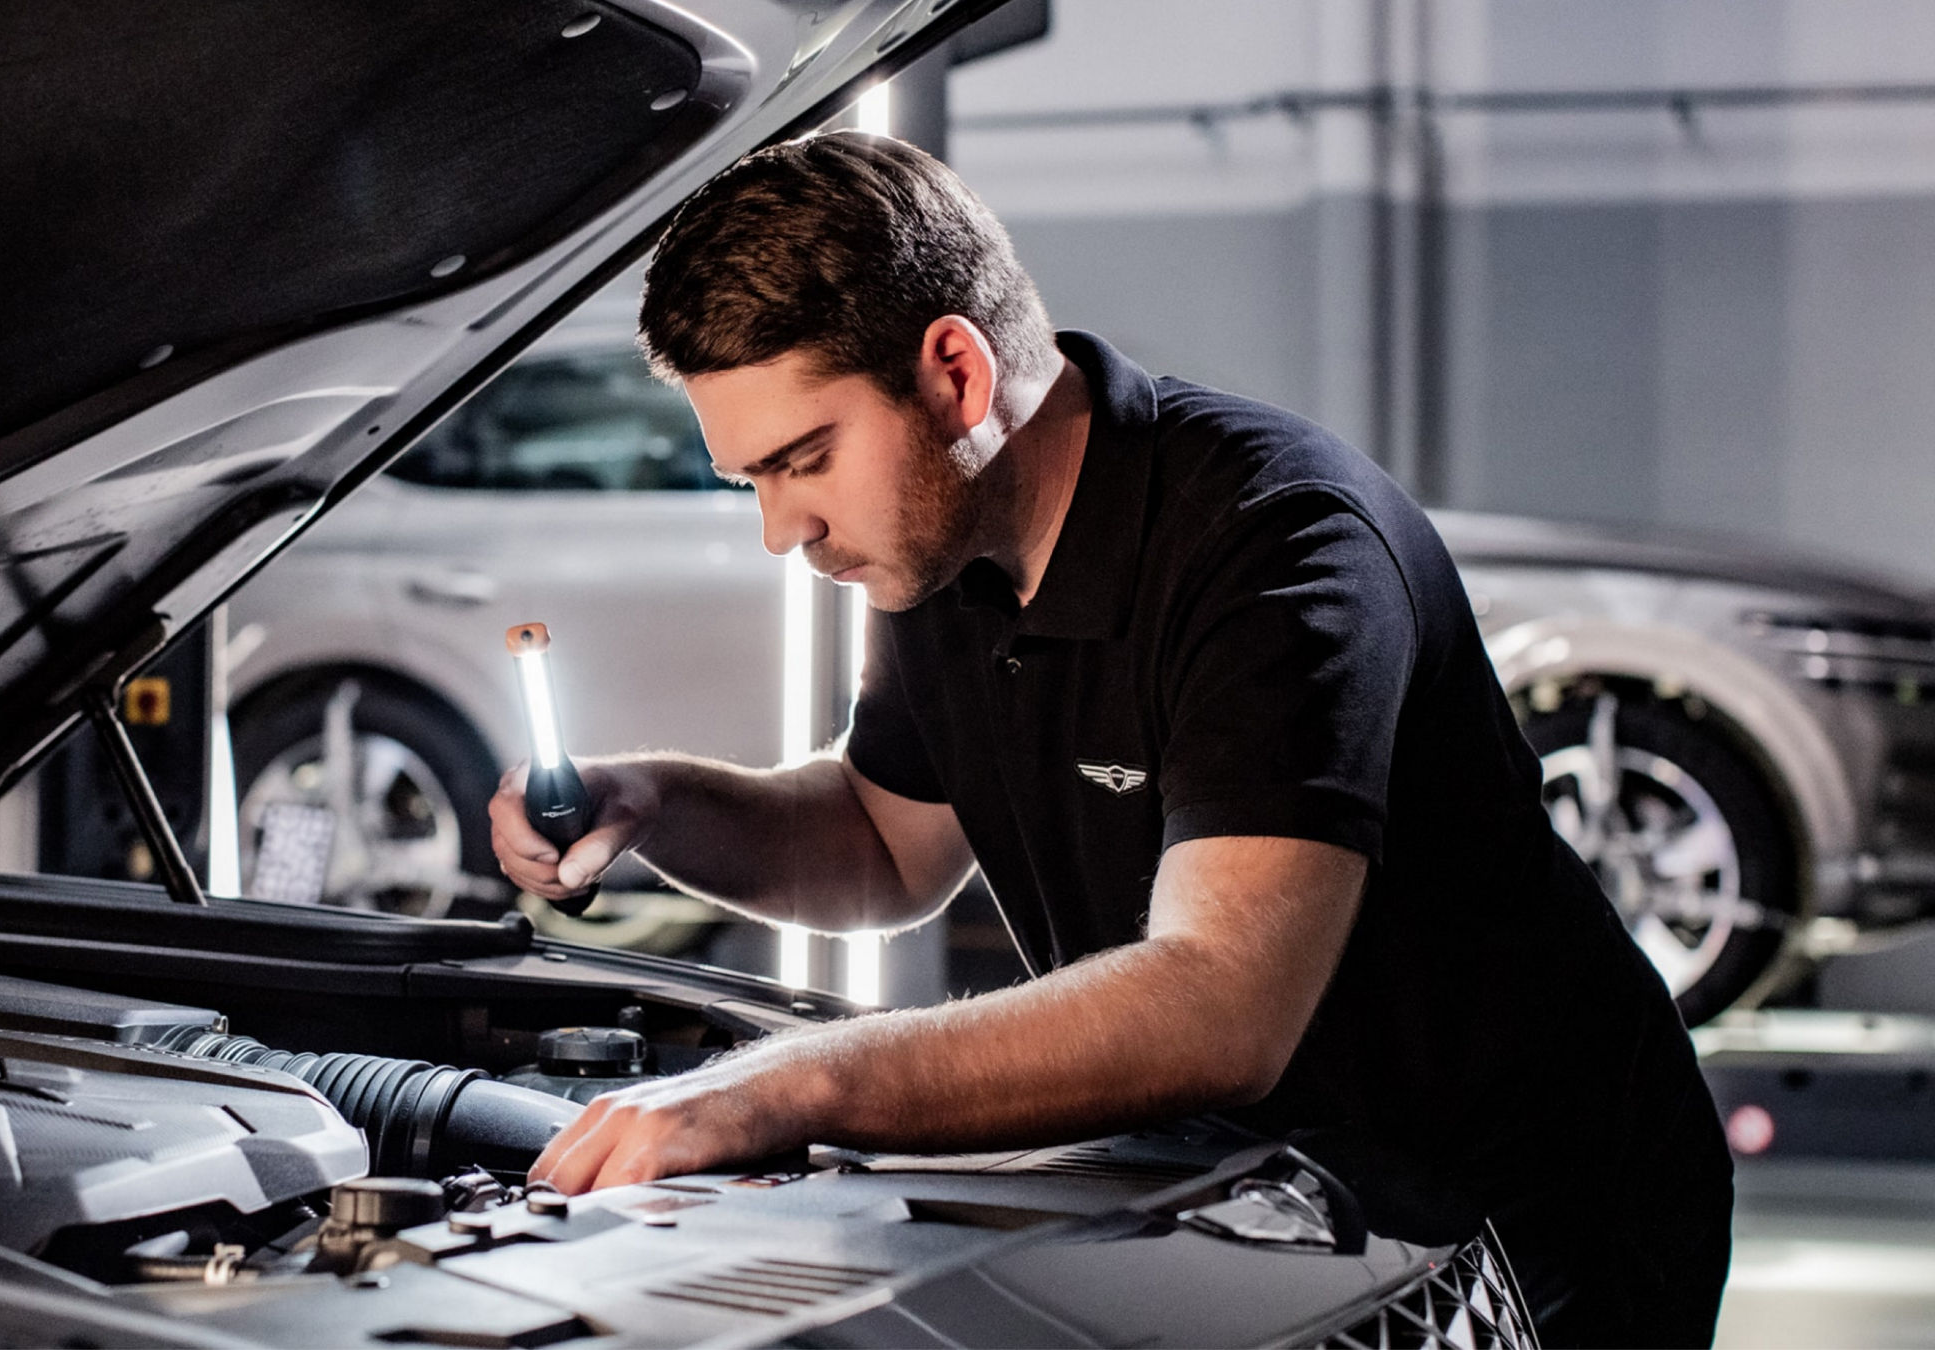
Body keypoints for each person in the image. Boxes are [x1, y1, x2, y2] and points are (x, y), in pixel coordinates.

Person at [490, 131, 1730, 1347]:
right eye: (748, 480)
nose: (781, 531)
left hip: (1532, 1219)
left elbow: (1218, 1005)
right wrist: (656, 802)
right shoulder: (941, 561)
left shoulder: (1281, 546)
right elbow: (881, 846)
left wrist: (787, 1083)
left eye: (802, 460)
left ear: (957, 377)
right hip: (1273, 1196)